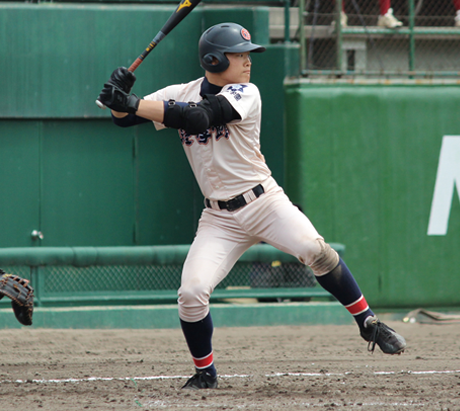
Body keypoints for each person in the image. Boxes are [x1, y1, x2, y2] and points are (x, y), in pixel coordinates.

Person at [96, 22, 407, 390]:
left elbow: (199, 116)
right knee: (192, 293)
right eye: (239, 55)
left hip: (263, 201)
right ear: (213, 59)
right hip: (217, 217)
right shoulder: (181, 91)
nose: (248, 61)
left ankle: (368, 323)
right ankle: (205, 372)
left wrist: (133, 103)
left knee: (315, 250)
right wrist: (120, 98)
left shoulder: (246, 91)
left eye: (247, 55)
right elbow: (126, 119)